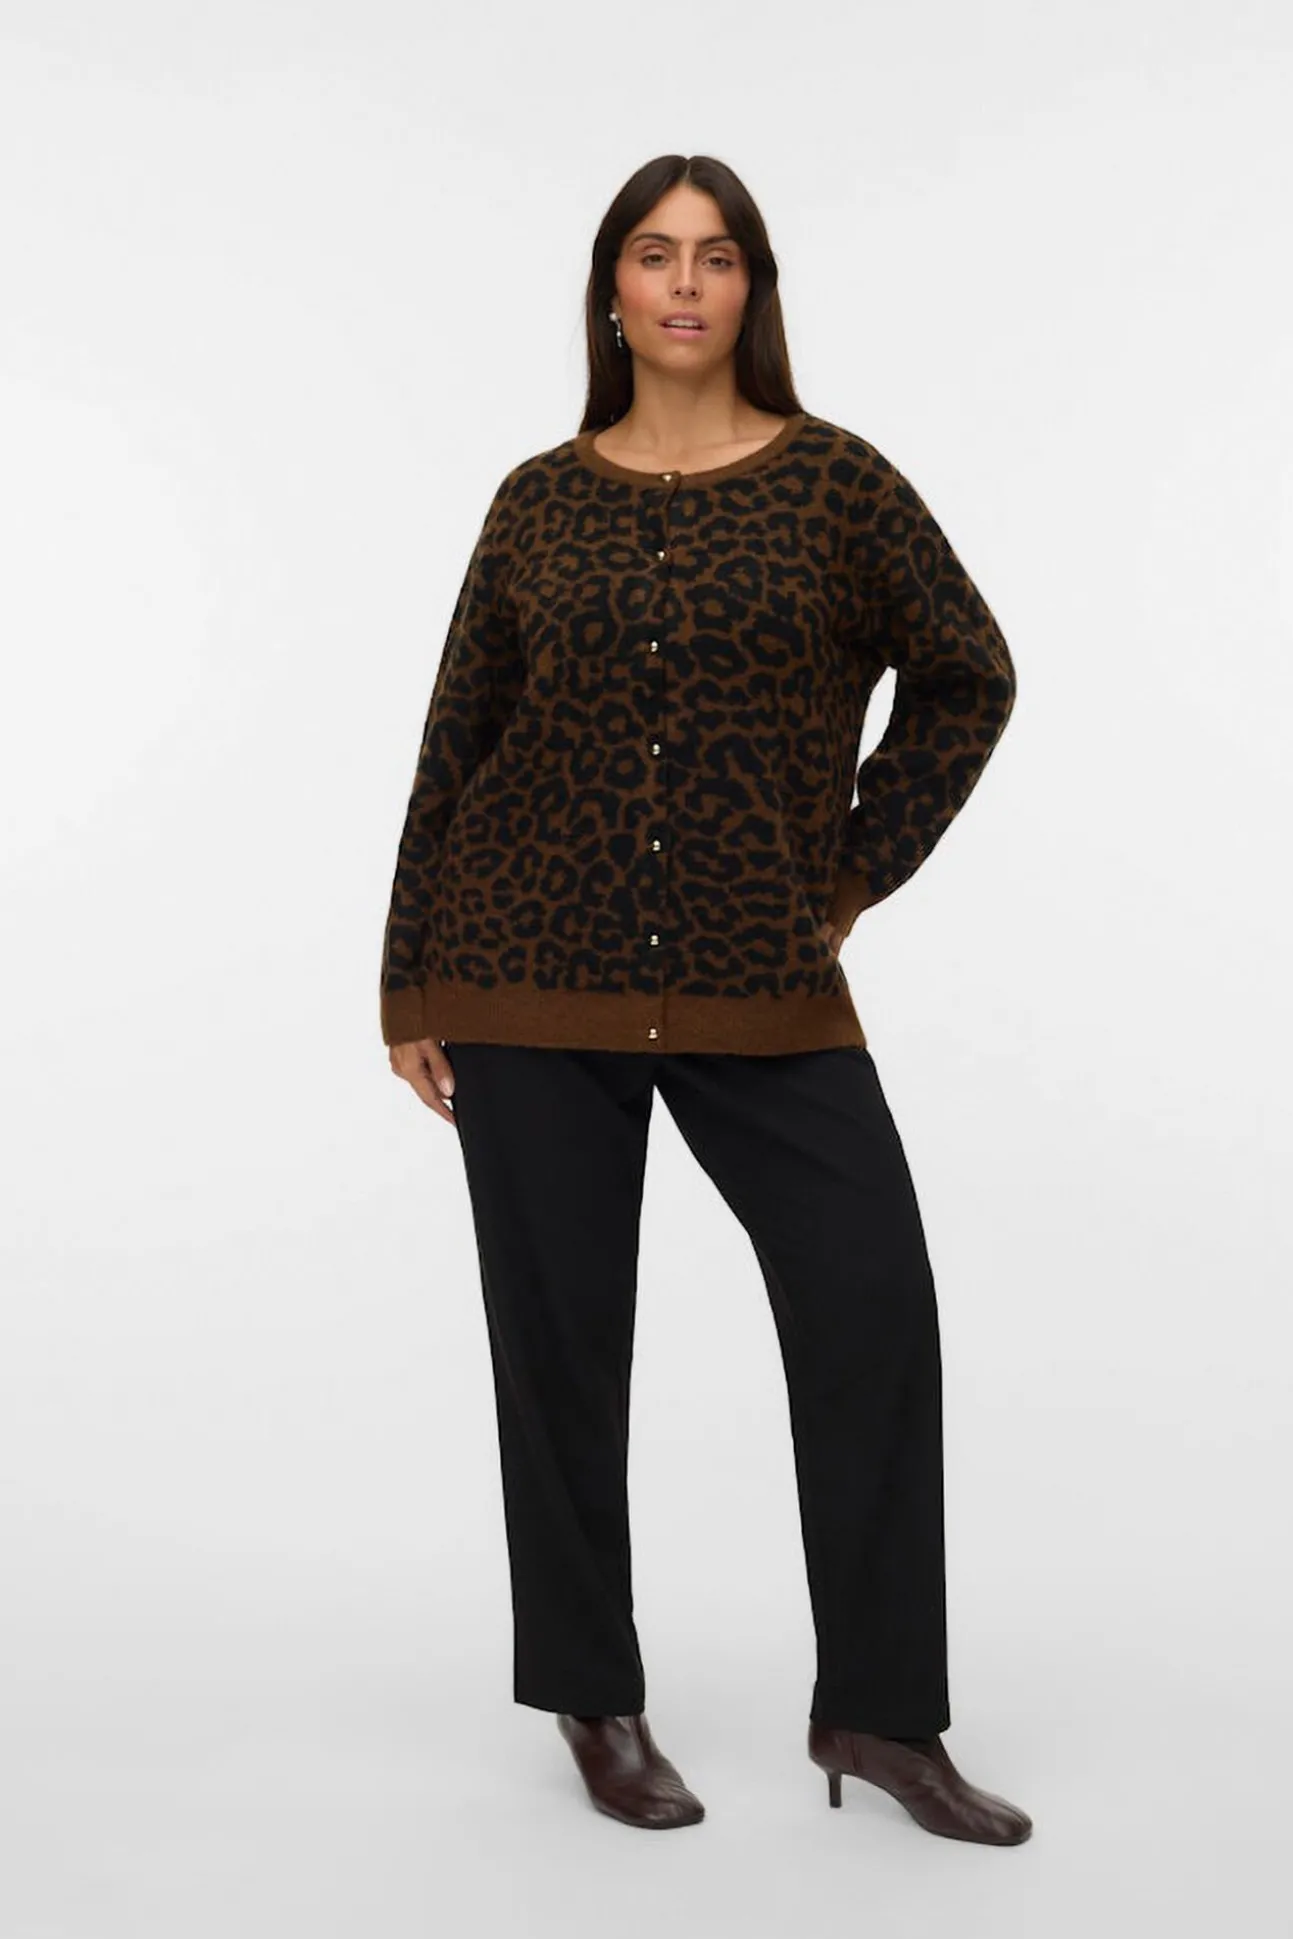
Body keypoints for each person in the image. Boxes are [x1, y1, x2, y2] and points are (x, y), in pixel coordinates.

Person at [379, 154, 1031, 1845]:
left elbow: (971, 673)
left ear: (755, 289)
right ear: (611, 288)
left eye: (719, 256)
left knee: (871, 1306)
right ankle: (591, 1696)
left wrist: (851, 869)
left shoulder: (839, 485)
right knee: (559, 1342)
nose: (686, 283)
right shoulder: (536, 502)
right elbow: (458, 738)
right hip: (525, 970)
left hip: (759, 979)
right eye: (656, 254)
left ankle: (882, 1710)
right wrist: (408, 975)